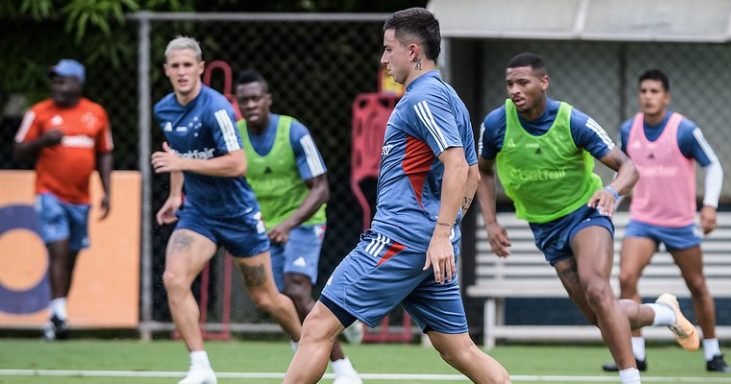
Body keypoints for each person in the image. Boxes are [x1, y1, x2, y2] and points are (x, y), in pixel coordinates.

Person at [283, 8, 510, 384]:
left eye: (389, 50)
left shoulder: (424, 98)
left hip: (399, 240)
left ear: (414, 51)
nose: (384, 59)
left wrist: (439, 233)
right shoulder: (450, 97)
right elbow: (471, 172)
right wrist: (444, 232)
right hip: (425, 246)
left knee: (317, 326)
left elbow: (456, 166)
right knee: (460, 349)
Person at [476, 53, 701, 384]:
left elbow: (629, 168)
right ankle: (665, 313)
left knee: (599, 290)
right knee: (603, 315)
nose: (515, 90)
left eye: (523, 82)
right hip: (546, 228)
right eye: (510, 83)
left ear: (543, 83)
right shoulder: (496, 125)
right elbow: (483, 171)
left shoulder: (572, 121)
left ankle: (630, 379)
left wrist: (611, 192)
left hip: (587, 214)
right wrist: (491, 222)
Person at [152, 36, 302, 384]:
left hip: (238, 215)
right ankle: (201, 367)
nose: (182, 72)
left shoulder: (216, 107)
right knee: (174, 279)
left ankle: (305, 341)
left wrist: (182, 161)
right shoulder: (164, 109)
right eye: (175, 66)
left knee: (265, 297)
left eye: (188, 65)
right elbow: (175, 153)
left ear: (201, 68)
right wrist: (176, 195)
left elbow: (237, 164)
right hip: (199, 214)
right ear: (166, 71)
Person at [233, 70, 362, 384]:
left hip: (304, 224)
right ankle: (331, 329)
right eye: (244, 100)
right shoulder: (235, 136)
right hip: (263, 230)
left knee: (296, 289)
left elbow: (321, 188)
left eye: (256, 98)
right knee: (276, 299)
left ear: (268, 100)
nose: (250, 105)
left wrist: (289, 224)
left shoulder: (293, 132)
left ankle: (345, 371)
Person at [600, 69, 731, 373]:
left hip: (680, 223)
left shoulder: (684, 130)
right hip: (643, 221)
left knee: (697, 285)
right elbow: (624, 173)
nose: (648, 96)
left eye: (655, 91)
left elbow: (714, 167)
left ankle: (713, 352)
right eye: (643, 91)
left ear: (666, 97)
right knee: (626, 279)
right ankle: (636, 354)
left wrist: (709, 206)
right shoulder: (629, 129)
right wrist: (611, 199)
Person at [14, 59, 113, 341]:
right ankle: (59, 313)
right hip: (49, 193)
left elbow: (105, 153)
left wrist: (107, 190)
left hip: (81, 198)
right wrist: (43, 142)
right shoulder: (39, 113)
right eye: (55, 81)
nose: (57, 86)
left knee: (70, 256)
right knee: (57, 248)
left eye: (64, 81)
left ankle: (56, 315)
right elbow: (18, 149)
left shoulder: (96, 114)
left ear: (78, 84)